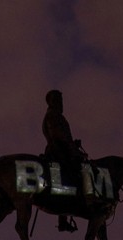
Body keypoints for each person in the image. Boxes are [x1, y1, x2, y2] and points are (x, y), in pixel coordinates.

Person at [42, 90, 90, 232]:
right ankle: (84, 202)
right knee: (84, 170)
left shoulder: (55, 115)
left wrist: (73, 144)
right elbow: (60, 136)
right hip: (59, 151)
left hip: (59, 149)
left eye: (61, 100)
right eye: (58, 100)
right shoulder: (53, 116)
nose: (61, 103)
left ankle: (64, 217)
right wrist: (74, 149)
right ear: (52, 101)